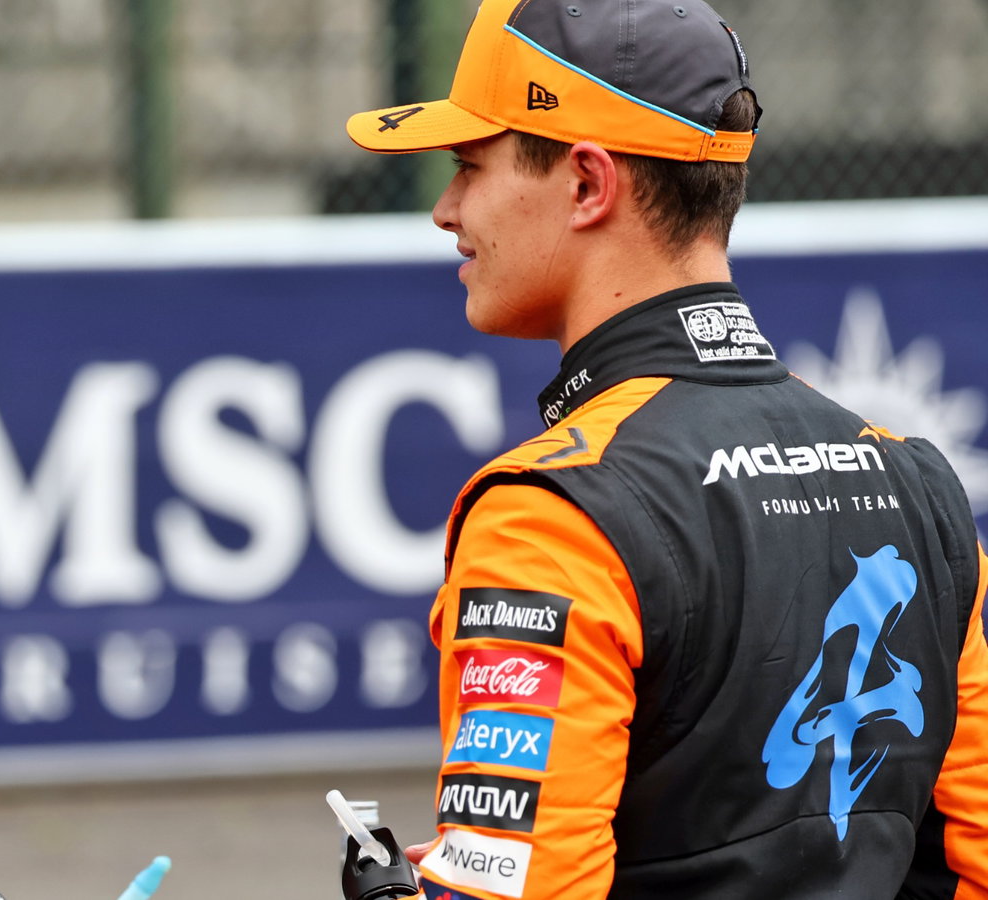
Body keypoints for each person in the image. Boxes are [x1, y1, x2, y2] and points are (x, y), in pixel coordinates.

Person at [346, 1, 988, 897]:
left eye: (468, 165)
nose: (445, 209)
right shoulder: (918, 485)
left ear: (587, 183)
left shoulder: (553, 515)